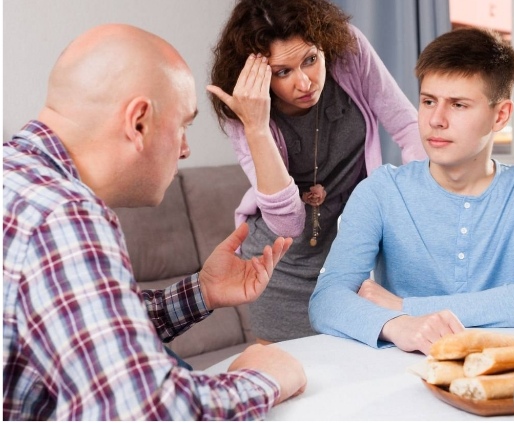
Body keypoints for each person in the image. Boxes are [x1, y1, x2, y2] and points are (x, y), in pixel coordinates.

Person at [3, 24, 306, 420]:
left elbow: (82, 329)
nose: (186, 149)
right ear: (139, 123)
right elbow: (146, 411)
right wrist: (263, 377)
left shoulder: (17, 178)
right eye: (184, 126)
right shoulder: (62, 215)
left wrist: (203, 290)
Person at [308, 27, 514, 356]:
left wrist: (405, 306)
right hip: (399, 370)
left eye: (458, 105)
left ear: (500, 115)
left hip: (498, 367)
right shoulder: (381, 190)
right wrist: (398, 324)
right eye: (428, 101)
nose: (436, 120)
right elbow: (326, 301)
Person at [206, 0, 426, 343]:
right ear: (260, 75)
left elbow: (407, 126)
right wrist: (256, 127)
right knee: (284, 374)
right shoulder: (244, 111)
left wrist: (416, 198)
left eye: (310, 60)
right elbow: (288, 224)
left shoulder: (350, 52)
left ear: (325, 44)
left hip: (348, 263)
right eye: (283, 72)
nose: (305, 82)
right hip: (280, 267)